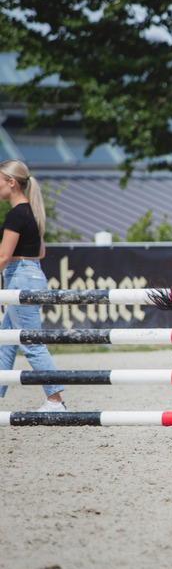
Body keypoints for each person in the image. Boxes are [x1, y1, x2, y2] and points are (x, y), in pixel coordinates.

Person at [0, 159, 65, 411]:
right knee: (6, 340)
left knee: (31, 343)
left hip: (20, 277)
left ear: (11, 183)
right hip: (31, 273)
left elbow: (4, 256)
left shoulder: (16, 215)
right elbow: (40, 252)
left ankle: (55, 399)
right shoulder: (30, 212)